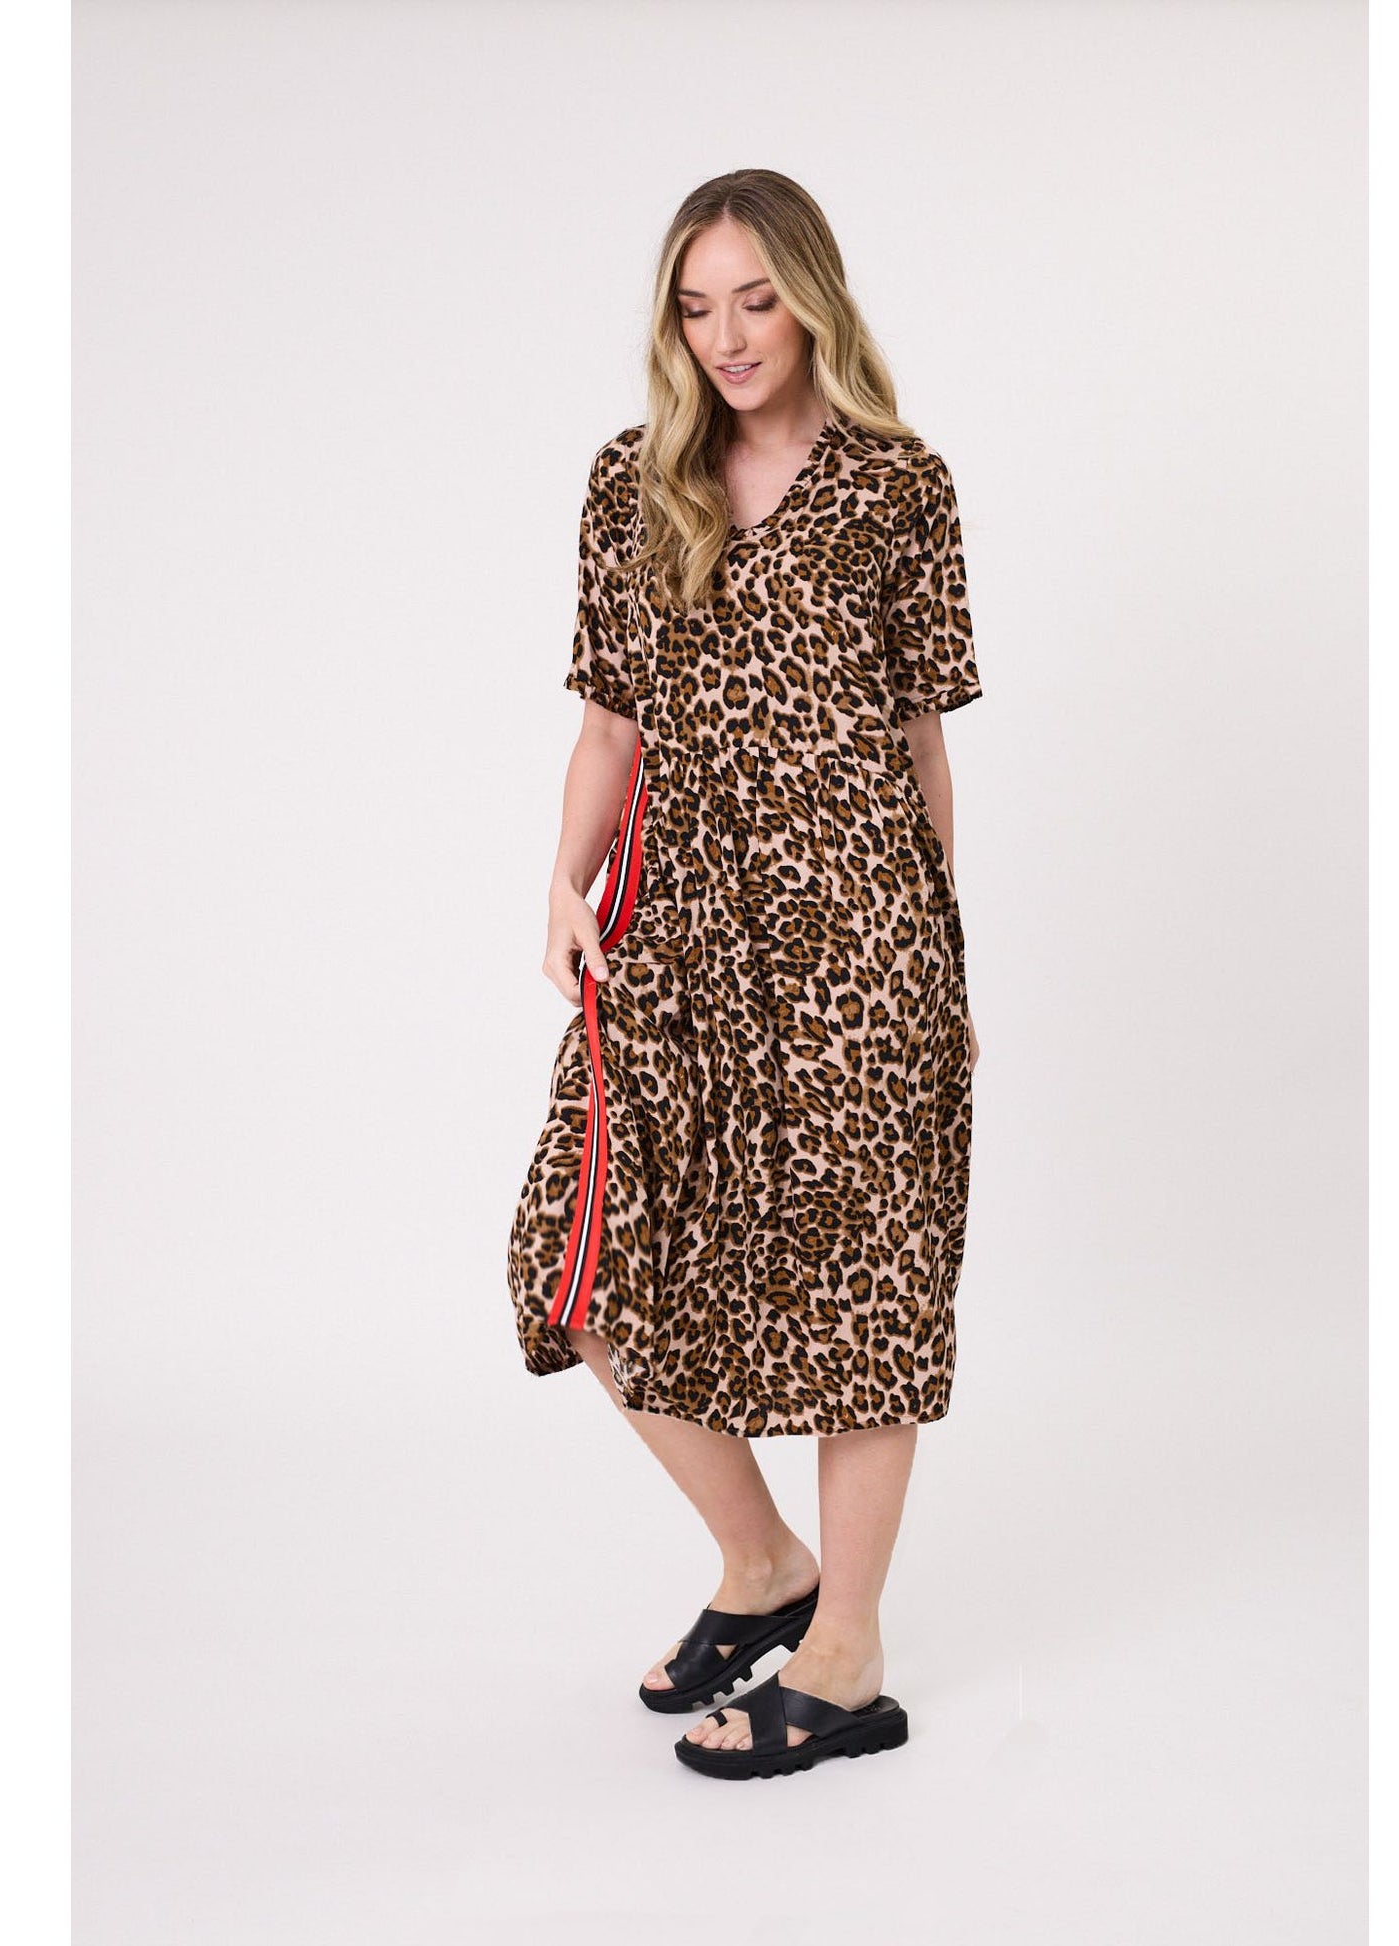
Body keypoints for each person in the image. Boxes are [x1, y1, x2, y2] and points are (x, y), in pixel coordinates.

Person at [503, 168, 984, 1780]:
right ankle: (763, 1564)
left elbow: (917, 741)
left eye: (757, 299)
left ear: (813, 298)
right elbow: (608, 724)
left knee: (864, 1295)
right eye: (697, 306)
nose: (728, 335)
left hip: (859, 949)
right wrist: (561, 887)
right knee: (574, 1268)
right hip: (680, 944)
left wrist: (937, 960)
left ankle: (842, 1654)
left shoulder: (899, 487)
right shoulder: (630, 482)